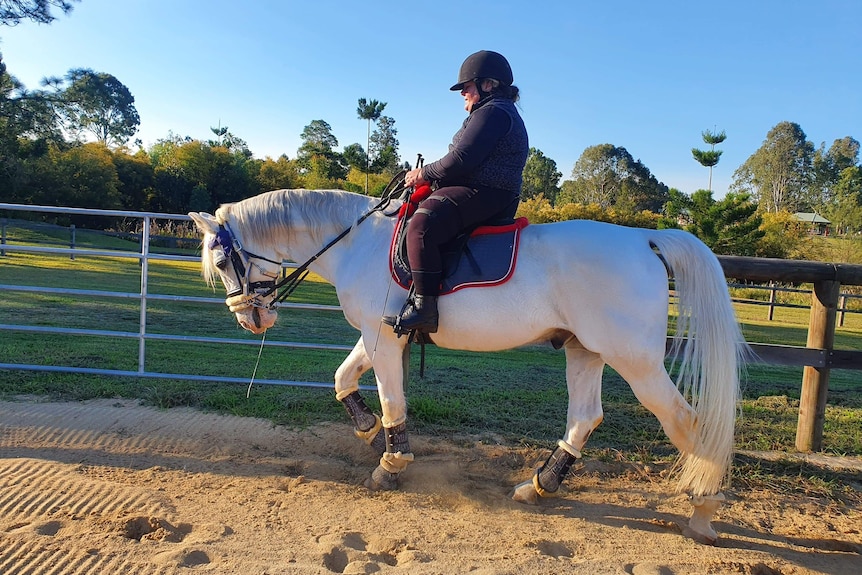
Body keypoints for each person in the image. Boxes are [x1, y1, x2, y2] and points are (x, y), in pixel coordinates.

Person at [383, 50, 529, 334]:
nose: (462, 92)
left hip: (487, 192)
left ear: (489, 84)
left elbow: (460, 160)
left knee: (422, 226)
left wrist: (422, 174)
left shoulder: (494, 112)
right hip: (483, 190)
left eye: (467, 85)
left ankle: (425, 308)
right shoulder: (492, 111)